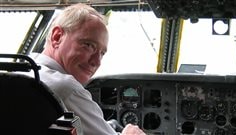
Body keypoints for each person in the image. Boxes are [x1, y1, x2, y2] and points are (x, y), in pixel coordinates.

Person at [27, 3, 146, 135]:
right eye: (88, 45)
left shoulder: (19, 74)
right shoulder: (67, 90)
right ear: (57, 37)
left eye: (102, 53)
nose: (96, 61)